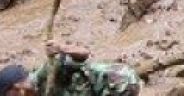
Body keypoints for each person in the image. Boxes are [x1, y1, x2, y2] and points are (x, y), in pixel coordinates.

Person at [0, 47, 142, 95]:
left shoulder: (47, 72)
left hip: (119, 82)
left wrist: (62, 48)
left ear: (17, 88)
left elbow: (84, 53)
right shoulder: (36, 93)